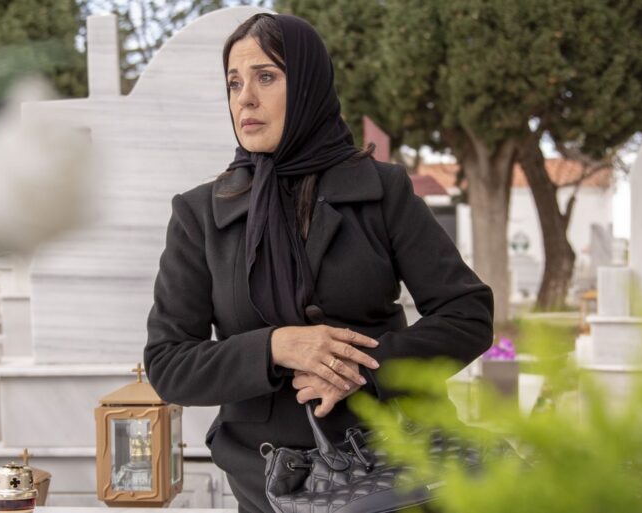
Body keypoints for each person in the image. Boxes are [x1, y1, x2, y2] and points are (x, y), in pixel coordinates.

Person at [144, 13, 494, 513]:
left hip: (398, 469)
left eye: (266, 77)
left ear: (308, 85)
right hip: (271, 484)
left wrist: (365, 369)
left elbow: (468, 314)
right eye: (234, 83)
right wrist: (275, 347)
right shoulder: (200, 214)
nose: (245, 99)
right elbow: (169, 362)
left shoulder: (382, 191)